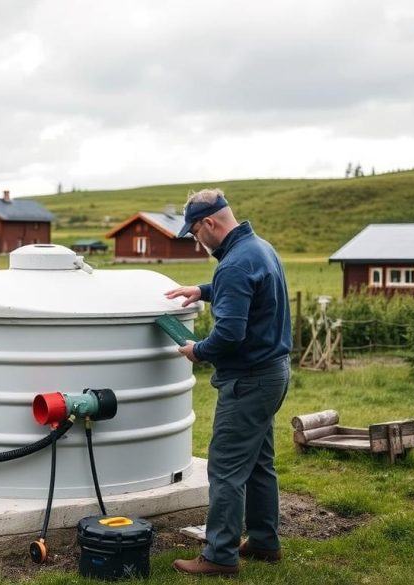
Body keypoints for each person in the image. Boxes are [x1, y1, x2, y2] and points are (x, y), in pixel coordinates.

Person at [165, 188, 292, 577]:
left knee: (225, 469)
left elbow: (230, 334)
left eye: (194, 232)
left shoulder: (234, 264)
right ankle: (264, 541)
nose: (195, 240)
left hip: (249, 380)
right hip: (273, 372)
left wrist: (197, 350)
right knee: (258, 465)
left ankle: (219, 556)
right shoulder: (258, 248)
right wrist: (201, 291)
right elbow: (249, 290)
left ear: (209, 223)